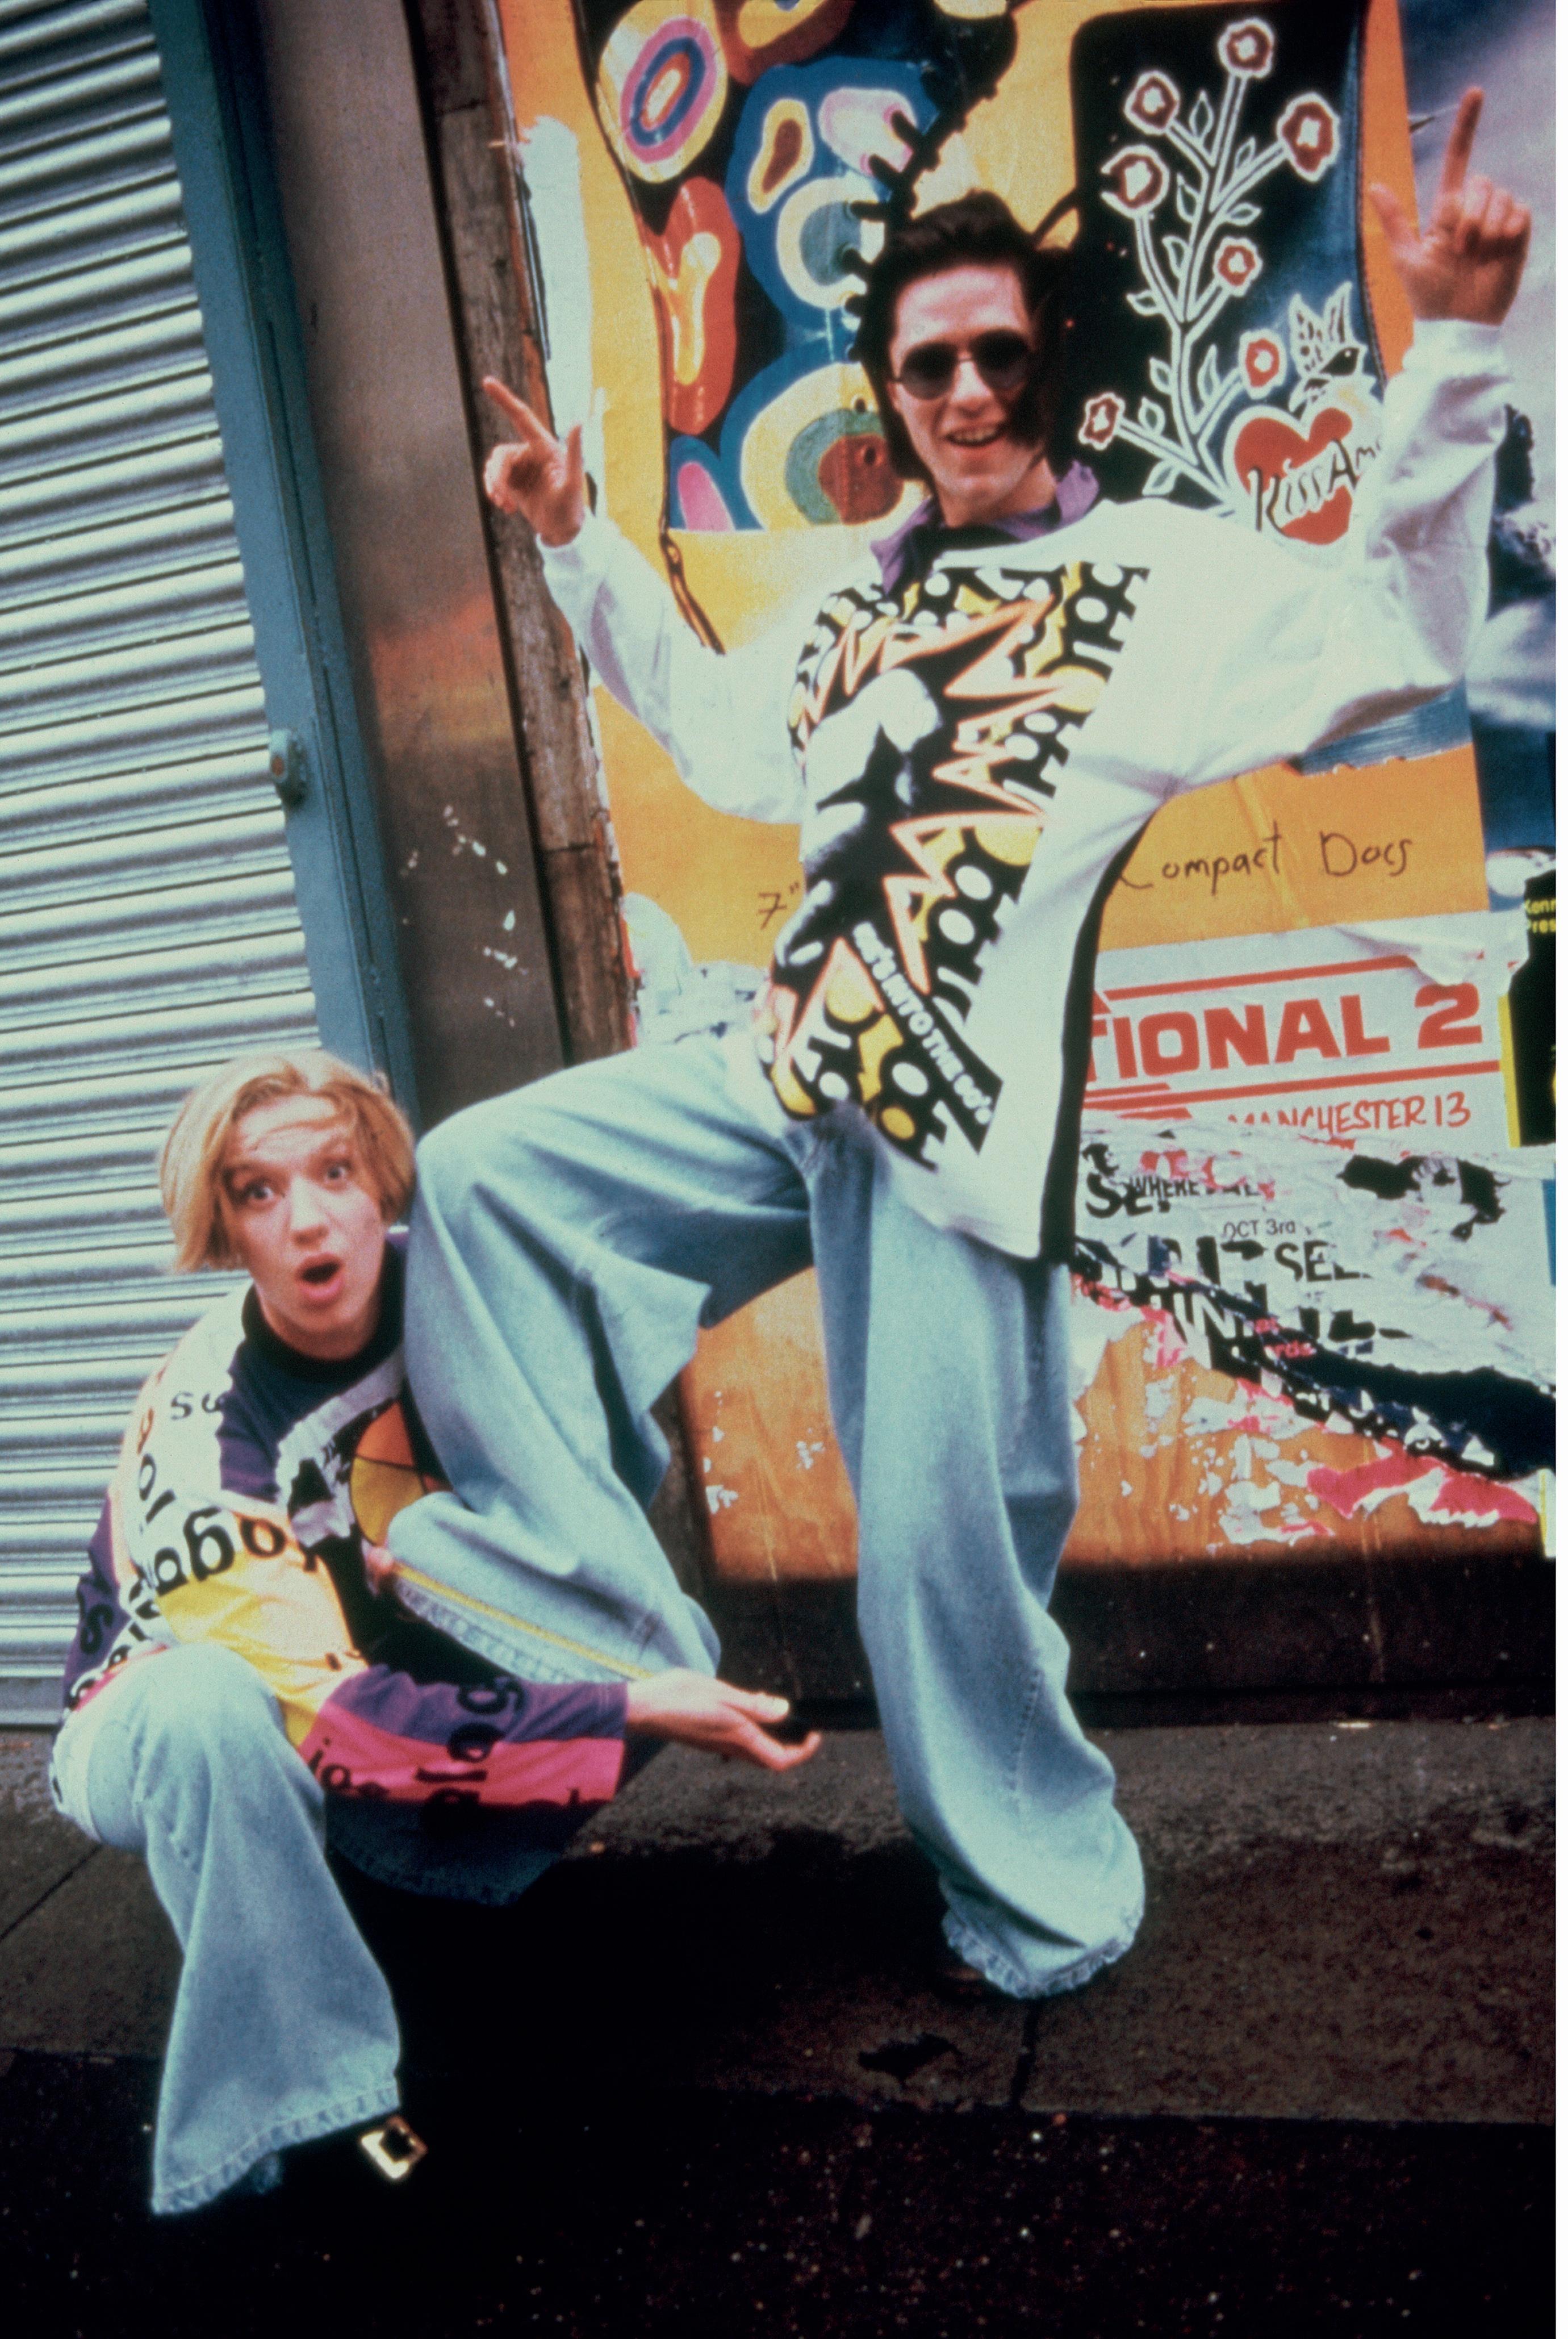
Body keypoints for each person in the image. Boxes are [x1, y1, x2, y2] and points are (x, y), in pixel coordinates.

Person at [383, 95, 1529, 2000]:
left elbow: (1392, 630)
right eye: (931, 364)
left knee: (938, 1552)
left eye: (1001, 352)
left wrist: (1463, 345)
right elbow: (731, 746)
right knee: (483, 1181)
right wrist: (579, 540)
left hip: (950, 1130)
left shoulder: (1158, 578)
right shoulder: (865, 583)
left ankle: (1045, 1894)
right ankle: (591, 1616)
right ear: (892, 390)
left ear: (1050, 360)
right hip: (778, 1074)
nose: (970, 389)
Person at [49, 1049, 818, 2217]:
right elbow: (349, 1729)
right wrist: (620, 1712)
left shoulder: (455, 1274)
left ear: (380, 1181)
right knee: (213, 1708)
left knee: (546, 1604)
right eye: (258, 1191)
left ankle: (409, 1881)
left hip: (356, 1643)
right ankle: (309, 2099)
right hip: (161, 1704)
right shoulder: (209, 1445)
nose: (309, 1220)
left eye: (335, 1171)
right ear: (224, 1226)